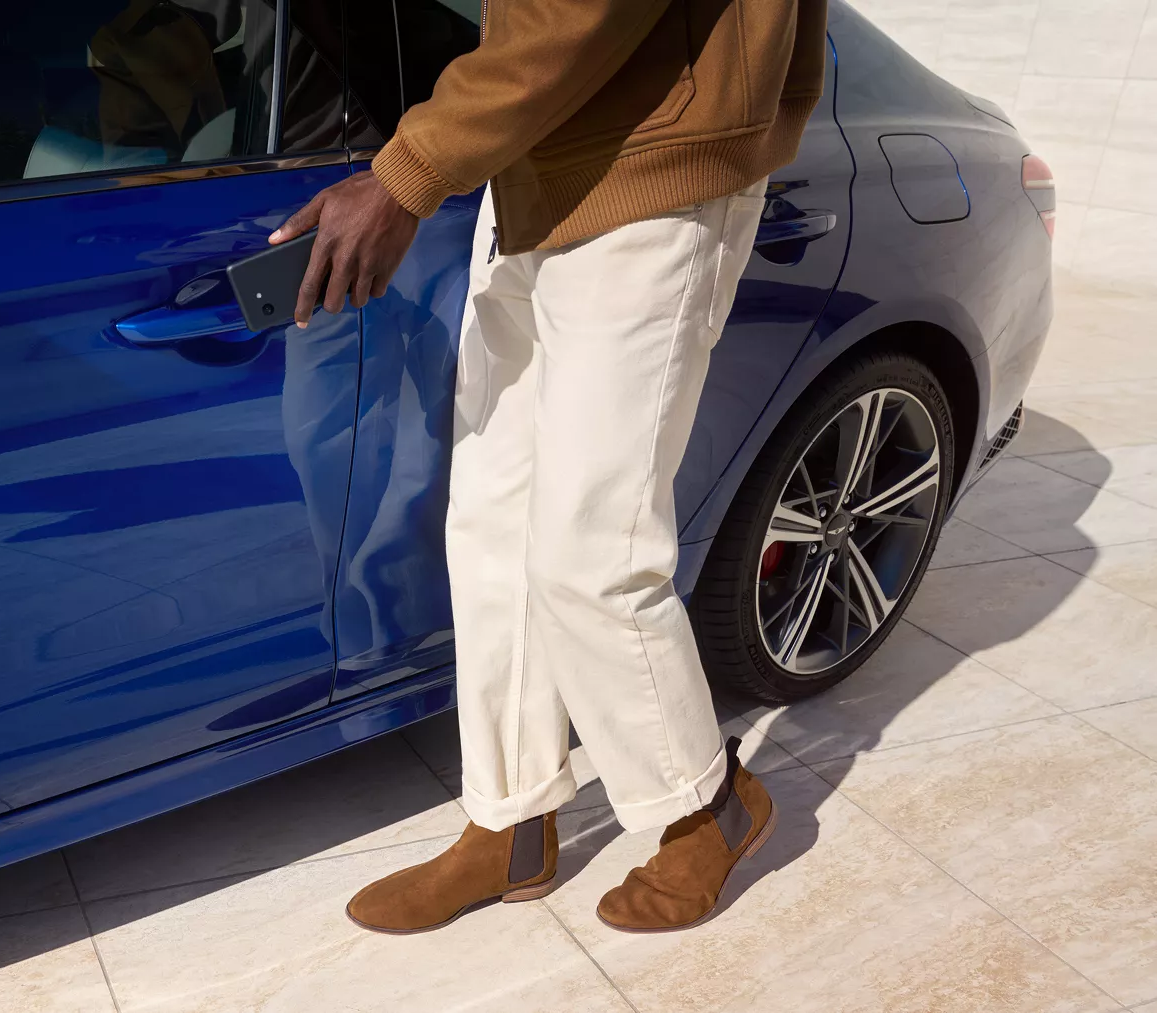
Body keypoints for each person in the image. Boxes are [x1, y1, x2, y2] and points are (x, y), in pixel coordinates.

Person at [266, 0, 828, 933]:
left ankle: (706, 808)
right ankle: (509, 821)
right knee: (491, 522)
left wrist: (407, 175)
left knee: (590, 549)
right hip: (534, 164)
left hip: (656, 166)